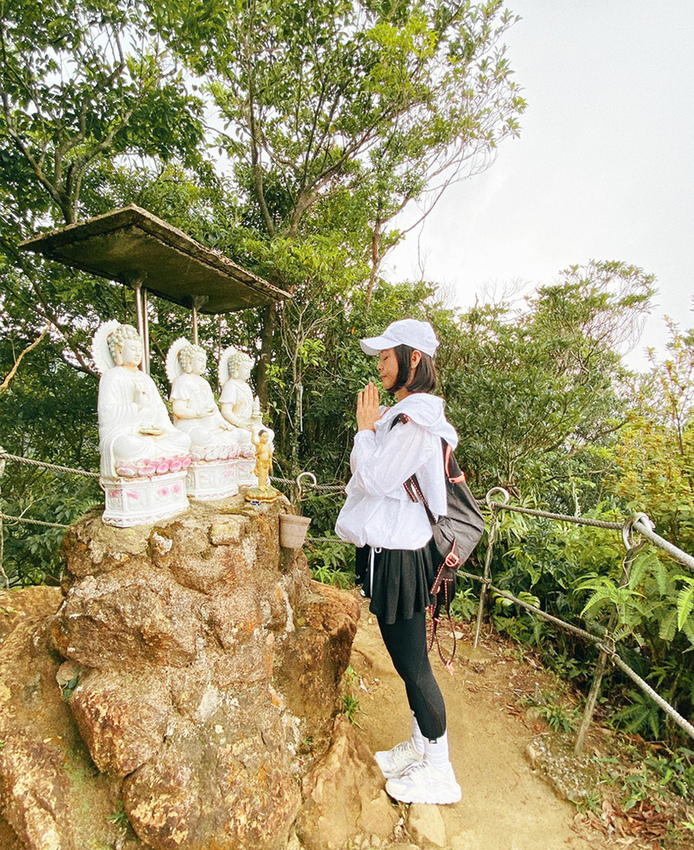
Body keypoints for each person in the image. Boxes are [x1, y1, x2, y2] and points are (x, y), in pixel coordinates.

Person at [335, 318, 462, 806]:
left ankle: (440, 770)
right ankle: (421, 745)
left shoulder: (418, 420)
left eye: (388, 356)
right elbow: (368, 474)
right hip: (388, 551)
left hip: (404, 555)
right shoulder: (404, 415)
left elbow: (374, 479)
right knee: (405, 660)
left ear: (414, 359)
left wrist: (365, 431)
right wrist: (370, 433)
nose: (380, 365)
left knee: (413, 665)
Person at [95, 323, 191, 480]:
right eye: (133, 349)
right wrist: (136, 406)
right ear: (119, 351)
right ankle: (154, 465)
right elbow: (107, 415)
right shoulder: (112, 376)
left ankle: (155, 464)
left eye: (140, 350)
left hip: (151, 434)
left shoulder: (146, 379)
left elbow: (160, 411)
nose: (138, 353)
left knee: (183, 440)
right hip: (126, 435)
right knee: (130, 446)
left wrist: (162, 428)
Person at [167, 340, 241, 461]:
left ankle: (215, 453)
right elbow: (178, 410)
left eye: (205, 361)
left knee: (234, 434)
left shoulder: (204, 383)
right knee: (203, 437)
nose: (203, 364)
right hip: (190, 425)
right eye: (200, 360)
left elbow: (213, 409)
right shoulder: (182, 381)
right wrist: (198, 414)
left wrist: (222, 422)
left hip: (209, 424)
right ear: (189, 361)